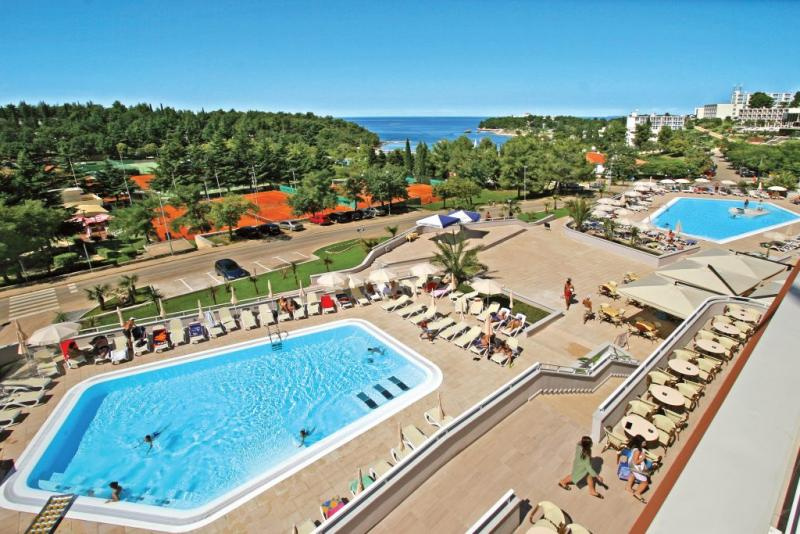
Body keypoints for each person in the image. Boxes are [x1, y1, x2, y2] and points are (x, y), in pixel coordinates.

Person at [626, 435, 650, 503]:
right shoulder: (637, 451)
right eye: (643, 442)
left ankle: (628, 487)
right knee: (645, 482)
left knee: (633, 474)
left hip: (631, 465)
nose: (645, 443)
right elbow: (636, 462)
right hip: (635, 467)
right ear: (639, 443)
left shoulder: (635, 448)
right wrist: (643, 458)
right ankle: (637, 493)